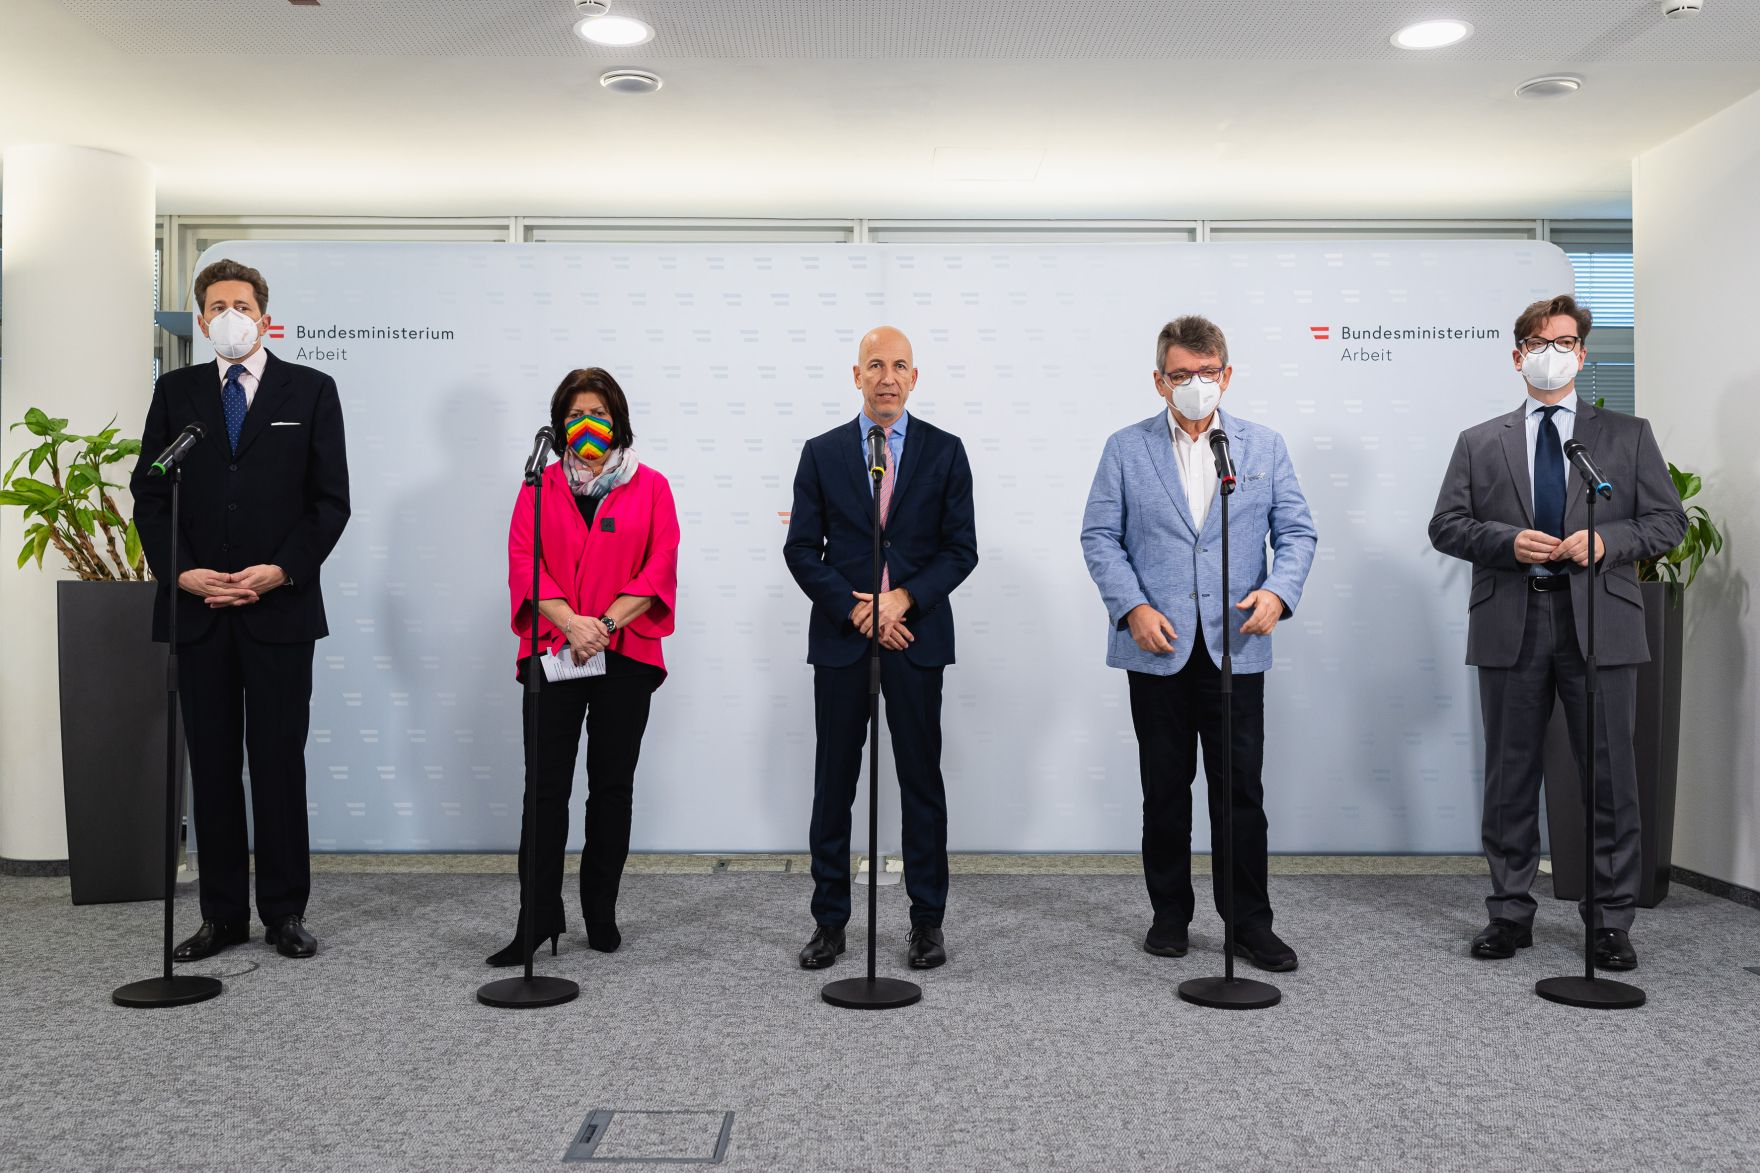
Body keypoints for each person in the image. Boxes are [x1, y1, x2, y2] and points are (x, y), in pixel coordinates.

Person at [1429, 294, 1685, 969]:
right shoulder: (1479, 441)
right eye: (1540, 342)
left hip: (1600, 623)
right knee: (1511, 778)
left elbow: (1668, 521)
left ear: (1582, 352)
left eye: (1565, 342)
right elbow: (1446, 525)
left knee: (1609, 777)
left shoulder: (1627, 435)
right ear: (1518, 355)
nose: (1553, 352)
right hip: (1511, 621)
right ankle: (1510, 914)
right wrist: (1509, 541)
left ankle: (1609, 921)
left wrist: (1608, 542)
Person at [130, 258, 351, 961]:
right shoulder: (177, 392)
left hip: (278, 608)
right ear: (201, 319)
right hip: (199, 610)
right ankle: (222, 916)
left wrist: (280, 568)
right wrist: (184, 572)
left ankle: (284, 911)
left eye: (242, 303)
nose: (230, 313)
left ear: (264, 315)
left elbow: (329, 501)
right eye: (217, 303)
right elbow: (150, 491)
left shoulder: (311, 391)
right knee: (215, 762)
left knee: (278, 759)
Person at [1080, 315, 1316, 972]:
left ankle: (1248, 922)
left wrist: (1277, 592)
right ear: (1159, 380)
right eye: (1181, 374)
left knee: (1239, 792)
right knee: (1165, 787)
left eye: (1207, 374)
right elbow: (1099, 536)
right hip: (1156, 647)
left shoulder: (1261, 448)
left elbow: (1297, 533)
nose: (1195, 385)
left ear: (1227, 376)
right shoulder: (1125, 450)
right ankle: (1169, 914)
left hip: (1237, 644)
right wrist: (1132, 607)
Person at [784, 326, 978, 971]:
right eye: (875, 365)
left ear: (915, 378)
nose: (887, 376)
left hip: (915, 639)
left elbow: (961, 549)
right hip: (844, 641)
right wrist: (859, 609)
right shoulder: (821, 453)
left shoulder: (946, 452)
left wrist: (904, 600)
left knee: (921, 784)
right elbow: (800, 551)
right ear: (857, 375)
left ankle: (927, 923)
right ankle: (830, 923)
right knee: (833, 784)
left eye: (899, 365)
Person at [491, 367, 679, 965]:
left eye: (597, 412)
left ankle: (601, 911)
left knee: (611, 789)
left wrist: (602, 627)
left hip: (623, 653)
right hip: (554, 651)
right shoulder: (537, 485)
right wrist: (571, 624)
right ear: (558, 424)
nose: (586, 423)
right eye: (574, 415)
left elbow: (659, 566)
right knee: (543, 791)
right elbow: (525, 561)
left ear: (618, 419)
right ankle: (536, 918)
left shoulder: (651, 486)